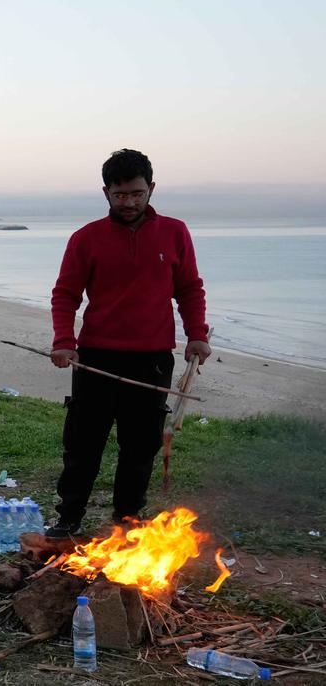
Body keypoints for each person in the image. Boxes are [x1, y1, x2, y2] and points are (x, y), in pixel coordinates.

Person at [47, 149, 211, 538]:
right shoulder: (85, 238)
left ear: (151, 189)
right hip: (97, 359)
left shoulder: (175, 232)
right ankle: (69, 517)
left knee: (140, 448)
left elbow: (189, 289)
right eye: (120, 195)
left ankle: (127, 521)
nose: (129, 202)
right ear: (106, 192)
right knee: (82, 445)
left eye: (137, 193)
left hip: (152, 360)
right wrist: (63, 341)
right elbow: (65, 294)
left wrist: (197, 335)